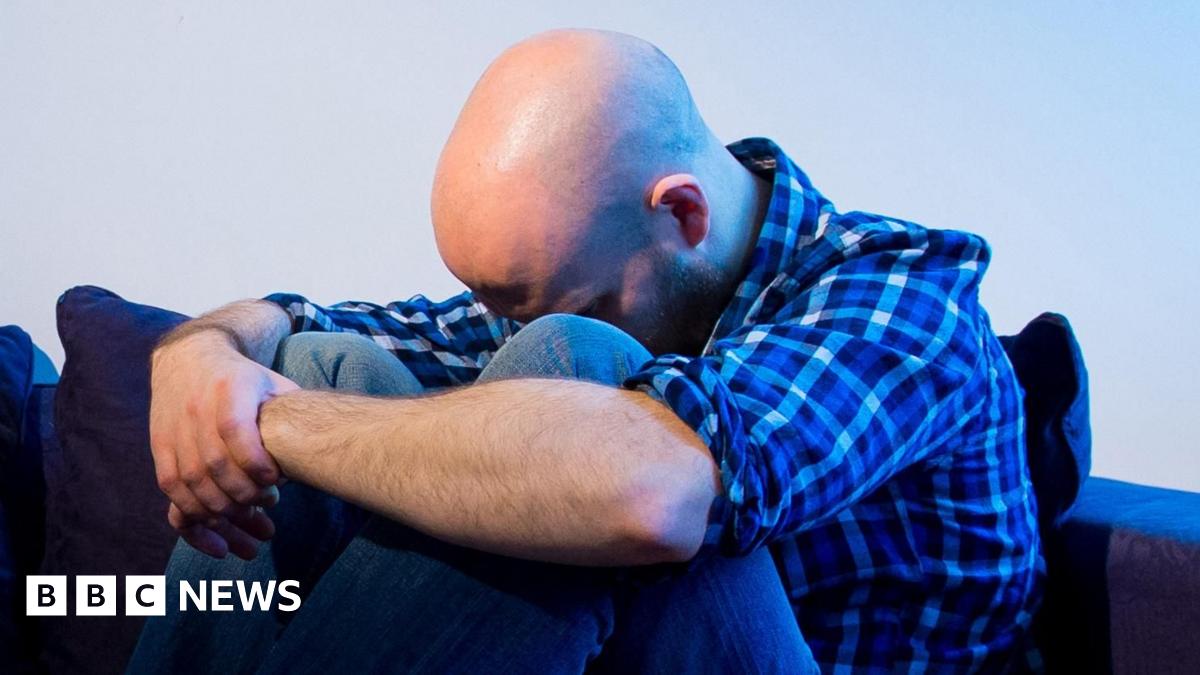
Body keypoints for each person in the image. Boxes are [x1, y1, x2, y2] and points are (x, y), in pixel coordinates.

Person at [131, 28, 1043, 673]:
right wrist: (201, 355)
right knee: (322, 365)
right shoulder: (611, 266)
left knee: (577, 382)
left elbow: (651, 491)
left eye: (529, 294)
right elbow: (316, 324)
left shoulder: (908, 294)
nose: (497, 323)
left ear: (681, 213)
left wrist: (282, 431)